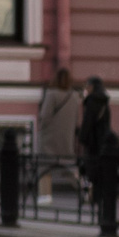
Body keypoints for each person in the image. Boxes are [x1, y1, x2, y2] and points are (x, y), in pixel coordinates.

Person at [35, 67, 79, 196]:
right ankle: (86, 190)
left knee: (44, 168)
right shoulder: (74, 96)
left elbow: (45, 115)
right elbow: (76, 117)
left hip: (50, 137)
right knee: (70, 167)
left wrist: (42, 126)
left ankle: (45, 196)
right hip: (66, 137)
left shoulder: (51, 94)